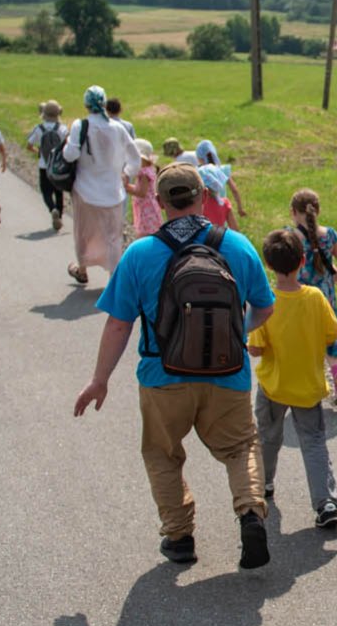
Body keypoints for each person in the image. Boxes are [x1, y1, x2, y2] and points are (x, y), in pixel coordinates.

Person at [72, 163, 277, 569]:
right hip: (227, 374)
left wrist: (100, 379)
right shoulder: (237, 246)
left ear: (161, 203)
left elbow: (118, 323)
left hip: (162, 376)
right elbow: (265, 306)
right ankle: (251, 510)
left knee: (163, 454)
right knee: (240, 447)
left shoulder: (140, 254)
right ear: (203, 196)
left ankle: (180, 536)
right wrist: (237, 332)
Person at [247, 228, 337, 532]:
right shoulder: (315, 298)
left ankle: (264, 484)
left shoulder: (264, 301)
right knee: (314, 442)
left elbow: (255, 348)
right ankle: (325, 502)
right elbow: (332, 336)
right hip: (308, 386)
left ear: (269, 266)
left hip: (273, 385)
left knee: (267, 437)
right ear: (302, 260)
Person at [62, 85, 140, 288]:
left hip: (85, 189)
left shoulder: (81, 125)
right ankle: (114, 276)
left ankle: (82, 269)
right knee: (113, 236)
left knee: (83, 231)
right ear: (104, 103)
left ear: (86, 104)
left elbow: (70, 155)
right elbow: (135, 158)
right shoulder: (118, 128)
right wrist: (126, 174)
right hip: (114, 191)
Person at [289, 188, 337, 402]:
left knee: (302, 339)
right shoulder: (330, 235)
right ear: (318, 210)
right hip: (325, 297)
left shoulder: (291, 237)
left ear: (293, 212)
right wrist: (334, 277)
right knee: (330, 338)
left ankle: (306, 386)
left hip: (300, 297)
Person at [26, 100, 67, 232]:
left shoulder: (39, 128)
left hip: (44, 165)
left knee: (45, 191)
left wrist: (39, 151)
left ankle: (52, 208)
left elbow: (29, 145)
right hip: (58, 165)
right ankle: (59, 216)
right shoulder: (62, 128)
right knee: (58, 192)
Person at [194, 140, 247, 221]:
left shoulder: (200, 172)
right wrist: (240, 208)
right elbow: (234, 190)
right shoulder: (223, 169)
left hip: (205, 211)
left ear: (199, 157)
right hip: (222, 209)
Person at [128, 139, 163, 238]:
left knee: (145, 233)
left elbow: (141, 192)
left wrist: (125, 186)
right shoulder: (148, 170)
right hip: (149, 207)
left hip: (146, 210)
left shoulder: (144, 173)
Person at [197, 164, 239, 232]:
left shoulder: (198, 205)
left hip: (200, 241)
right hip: (218, 239)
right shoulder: (224, 203)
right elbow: (235, 229)